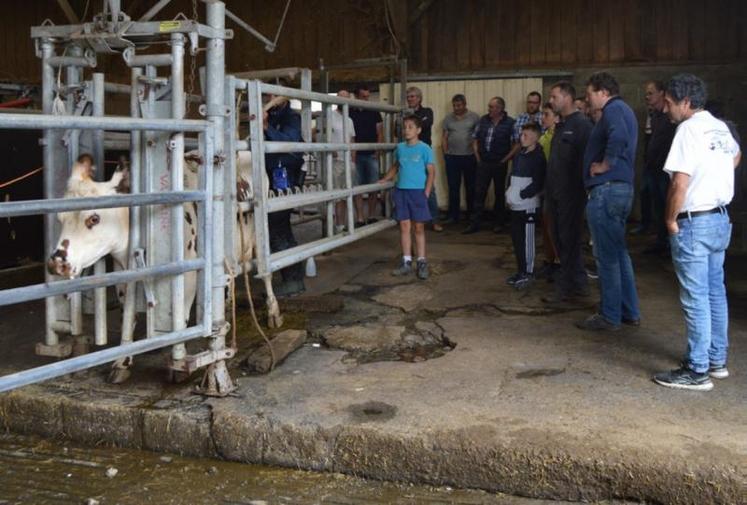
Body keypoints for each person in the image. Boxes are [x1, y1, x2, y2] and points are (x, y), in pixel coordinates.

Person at [653, 73, 741, 391]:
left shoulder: (688, 129)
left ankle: (696, 369)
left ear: (686, 102)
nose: (666, 110)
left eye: (670, 103)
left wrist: (670, 220)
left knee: (695, 297)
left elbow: (679, 182)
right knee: (715, 291)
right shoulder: (718, 126)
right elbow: (735, 155)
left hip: (695, 220)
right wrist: (716, 175)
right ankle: (716, 360)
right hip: (719, 218)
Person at [576, 72, 641, 331]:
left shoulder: (614, 109)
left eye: (590, 94)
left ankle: (609, 315)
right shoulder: (623, 109)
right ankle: (628, 311)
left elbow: (618, 137)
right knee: (618, 254)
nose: (588, 99)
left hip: (607, 190)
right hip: (619, 189)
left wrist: (604, 164)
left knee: (607, 258)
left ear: (603, 91)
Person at [541, 82, 592, 306]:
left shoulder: (582, 125)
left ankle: (565, 289)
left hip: (571, 194)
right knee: (560, 239)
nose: (551, 101)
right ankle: (579, 283)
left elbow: (586, 160)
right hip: (554, 192)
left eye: (554, 97)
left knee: (568, 240)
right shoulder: (561, 125)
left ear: (567, 97)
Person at [379, 115, 435, 280]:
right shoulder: (400, 148)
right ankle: (406, 261)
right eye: (404, 127)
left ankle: (422, 261)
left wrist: (427, 191)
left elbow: (431, 172)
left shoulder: (425, 149)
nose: (406, 130)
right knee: (404, 226)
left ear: (418, 130)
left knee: (418, 227)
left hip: (417, 192)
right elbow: (396, 166)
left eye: (410, 127)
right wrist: (386, 178)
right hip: (401, 191)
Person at [264, 93, 306, 296]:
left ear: (283, 98)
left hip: (285, 178)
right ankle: (293, 276)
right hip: (269, 178)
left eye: (272, 95)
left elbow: (289, 141)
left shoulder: (291, 118)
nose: (268, 98)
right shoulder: (271, 116)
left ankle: (293, 279)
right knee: (277, 228)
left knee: (278, 226)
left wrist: (265, 128)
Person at [463, 97, 515, 234]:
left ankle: (499, 223)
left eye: (492, 107)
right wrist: (478, 157)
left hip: (499, 163)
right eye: (489, 106)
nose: (489, 109)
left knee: (499, 193)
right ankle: (474, 223)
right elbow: (475, 138)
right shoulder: (483, 120)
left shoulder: (510, 123)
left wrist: (505, 159)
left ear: (500, 109)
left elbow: (517, 144)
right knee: (479, 193)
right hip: (484, 162)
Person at [505, 123, 546, 290]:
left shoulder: (538, 157)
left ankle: (528, 272)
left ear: (536, 137)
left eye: (526, 136)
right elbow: (512, 175)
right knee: (517, 239)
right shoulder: (520, 155)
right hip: (515, 205)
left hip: (528, 205)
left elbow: (538, 183)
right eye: (521, 135)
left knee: (528, 240)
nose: (522, 138)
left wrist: (521, 195)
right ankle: (521, 270)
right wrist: (510, 193)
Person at [641, 80, 677, 254]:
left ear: (662, 93)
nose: (647, 97)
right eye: (647, 93)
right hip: (653, 168)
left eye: (651, 93)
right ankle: (661, 241)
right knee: (657, 205)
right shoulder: (655, 116)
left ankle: (670, 243)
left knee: (666, 205)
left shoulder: (672, 118)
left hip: (665, 170)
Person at [405, 86, 442, 231]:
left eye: (413, 96)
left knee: (429, 187)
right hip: (407, 154)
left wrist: (410, 118)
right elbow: (397, 130)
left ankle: (434, 220)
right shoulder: (404, 114)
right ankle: (410, 219)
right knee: (408, 187)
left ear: (419, 98)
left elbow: (425, 124)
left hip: (423, 154)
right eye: (408, 97)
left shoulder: (427, 112)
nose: (410, 99)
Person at [441, 94, 479, 223]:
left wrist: (477, 155)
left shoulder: (474, 117)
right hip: (452, 158)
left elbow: (477, 137)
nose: (456, 108)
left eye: (459, 105)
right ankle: (453, 215)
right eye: (454, 105)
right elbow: (444, 137)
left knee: (471, 187)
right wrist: (446, 153)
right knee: (453, 187)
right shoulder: (448, 119)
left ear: (465, 104)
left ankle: (471, 214)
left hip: (469, 157)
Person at [350, 84, 383, 226]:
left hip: (371, 154)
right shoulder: (349, 111)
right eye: (363, 97)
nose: (366, 99)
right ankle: (360, 218)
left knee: (374, 186)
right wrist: (351, 153)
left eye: (367, 97)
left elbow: (380, 132)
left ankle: (371, 215)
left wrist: (378, 150)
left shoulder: (374, 111)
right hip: (356, 155)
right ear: (356, 96)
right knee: (356, 187)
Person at [536, 102, 560, 280]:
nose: (542, 118)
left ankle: (558, 261)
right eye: (542, 114)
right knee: (545, 224)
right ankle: (549, 259)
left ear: (556, 117)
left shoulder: (557, 138)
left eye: (546, 114)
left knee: (553, 225)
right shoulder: (544, 136)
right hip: (543, 184)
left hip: (554, 186)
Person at [329, 89, 356, 232]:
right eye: (340, 98)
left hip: (348, 162)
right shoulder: (329, 116)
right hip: (336, 162)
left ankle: (343, 224)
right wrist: (330, 149)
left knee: (346, 195)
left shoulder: (350, 120)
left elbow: (352, 139)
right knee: (338, 195)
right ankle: (338, 226)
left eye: (346, 98)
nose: (343, 101)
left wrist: (353, 160)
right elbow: (317, 133)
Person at [506, 92, 544, 162]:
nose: (531, 105)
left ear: (539, 103)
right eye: (529, 102)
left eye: (535, 103)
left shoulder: (544, 119)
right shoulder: (519, 119)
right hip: (519, 158)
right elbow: (514, 141)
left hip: (538, 158)